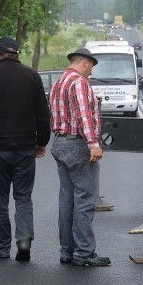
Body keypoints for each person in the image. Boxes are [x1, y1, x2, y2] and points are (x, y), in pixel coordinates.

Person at [0, 37, 50, 262]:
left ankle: (2, 246)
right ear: (16, 53)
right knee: (23, 197)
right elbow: (42, 113)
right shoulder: (32, 76)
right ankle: (24, 241)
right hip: (25, 147)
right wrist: (41, 141)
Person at [48, 47, 111, 266]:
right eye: (91, 67)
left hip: (59, 142)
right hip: (78, 144)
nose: (91, 72)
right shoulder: (80, 83)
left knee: (67, 199)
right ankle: (85, 252)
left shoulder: (59, 82)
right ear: (84, 62)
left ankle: (67, 250)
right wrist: (93, 143)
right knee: (85, 199)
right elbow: (83, 114)